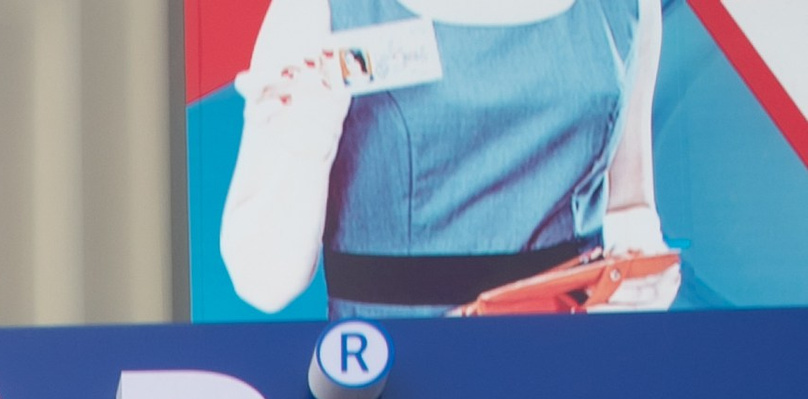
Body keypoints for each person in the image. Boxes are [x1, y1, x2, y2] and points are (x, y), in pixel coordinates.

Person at [219, 0, 680, 319]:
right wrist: (307, 132)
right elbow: (263, 280)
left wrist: (642, 275)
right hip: (391, 384)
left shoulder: (626, 6)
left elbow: (630, 208)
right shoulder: (320, 6)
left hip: (569, 370)